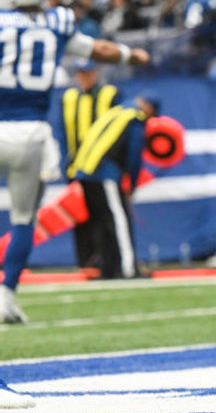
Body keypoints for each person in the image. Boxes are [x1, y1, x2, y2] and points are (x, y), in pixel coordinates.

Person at [0, 0, 149, 322]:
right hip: (31, 134)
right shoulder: (57, 22)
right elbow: (100, 50)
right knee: (22, 219)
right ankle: (5, 297)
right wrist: (133, 55)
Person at [67, 96, 178, 280]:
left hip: (84, 171)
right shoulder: (135, 118)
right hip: (103, 173)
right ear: (149, 108)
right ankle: (128, 269)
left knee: (101, 222)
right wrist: (132, 184)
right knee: (119, 221)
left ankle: (108, 269)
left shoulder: (115, 111)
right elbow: (134, 154)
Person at [60, 59, 122, 269]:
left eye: (87, 73)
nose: (84, 78)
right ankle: (85, 262)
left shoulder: (109, 95)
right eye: (80, 73)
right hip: (76, 169)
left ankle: (108, 262)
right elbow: (63, 134)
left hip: (101, 170)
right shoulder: (69, 98)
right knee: (80, 218)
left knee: (104, 217)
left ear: (95, 72)